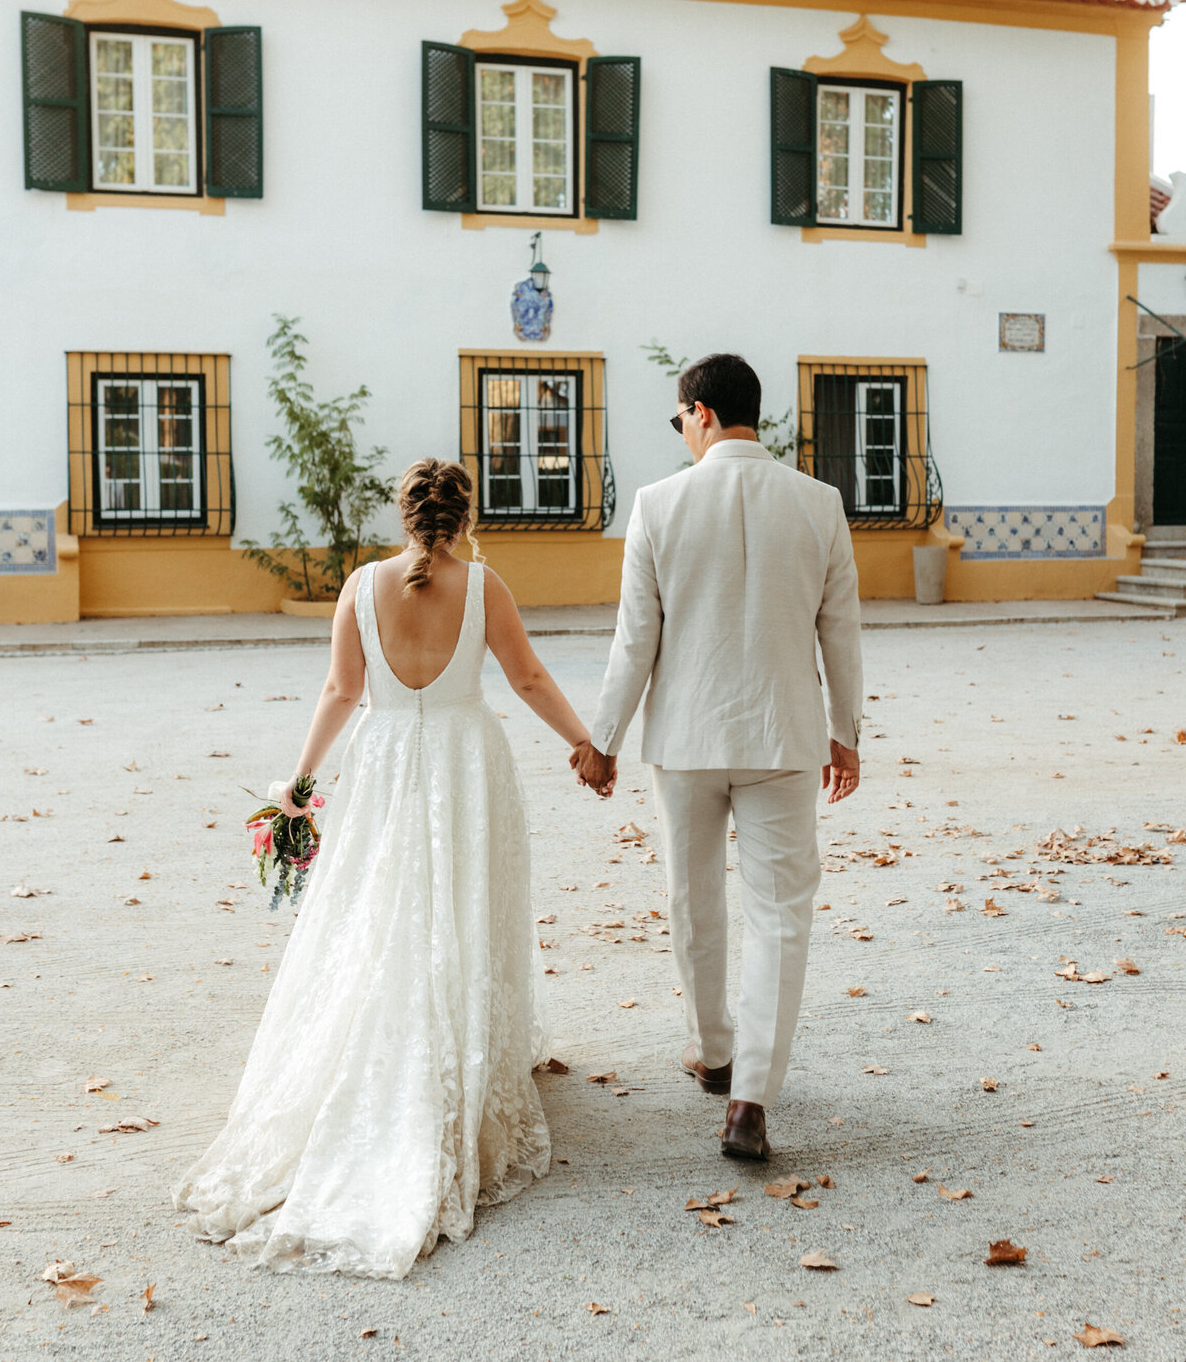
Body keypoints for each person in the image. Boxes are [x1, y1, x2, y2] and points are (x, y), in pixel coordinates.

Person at [174, 458, 602, 1279]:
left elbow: (341, 689)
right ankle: (454, 1045)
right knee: (463, 907)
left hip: (380, 763)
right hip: (463, 763)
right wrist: (584, 742)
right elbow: (528, 677)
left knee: (379, 907)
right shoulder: (485, 586)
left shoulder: (360, 585)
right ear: (465, 511)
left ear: (403, 514)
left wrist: (300, 783)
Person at [574, 354, 862, 1162]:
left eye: (678, 419)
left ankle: (714, 1050)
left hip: (689, 739)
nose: (682, 431)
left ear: (699, 413)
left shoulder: (658, 505)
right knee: (780, 916)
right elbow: (839, 628)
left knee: (693, 896)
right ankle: (749, 1102)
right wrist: (847, 732)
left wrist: (603, 741)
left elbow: (636, 639)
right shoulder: (819, 504)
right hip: (783, 736)